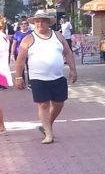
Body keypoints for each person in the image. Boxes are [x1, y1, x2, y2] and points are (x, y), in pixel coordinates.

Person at [13, 10, 77, 144]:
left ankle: (46, 125)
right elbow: (20, 60)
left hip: (58, 77)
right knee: (43, 104)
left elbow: (68, 53)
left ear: (49, 23)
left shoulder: (58, 36)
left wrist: (73, 69)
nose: (40, 23)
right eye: (37, 21)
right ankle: (48, 134)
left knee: (59, 103)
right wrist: (18, 77)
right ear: (34, 23)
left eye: (43, 21)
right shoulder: (28, 39)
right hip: (38, 78)